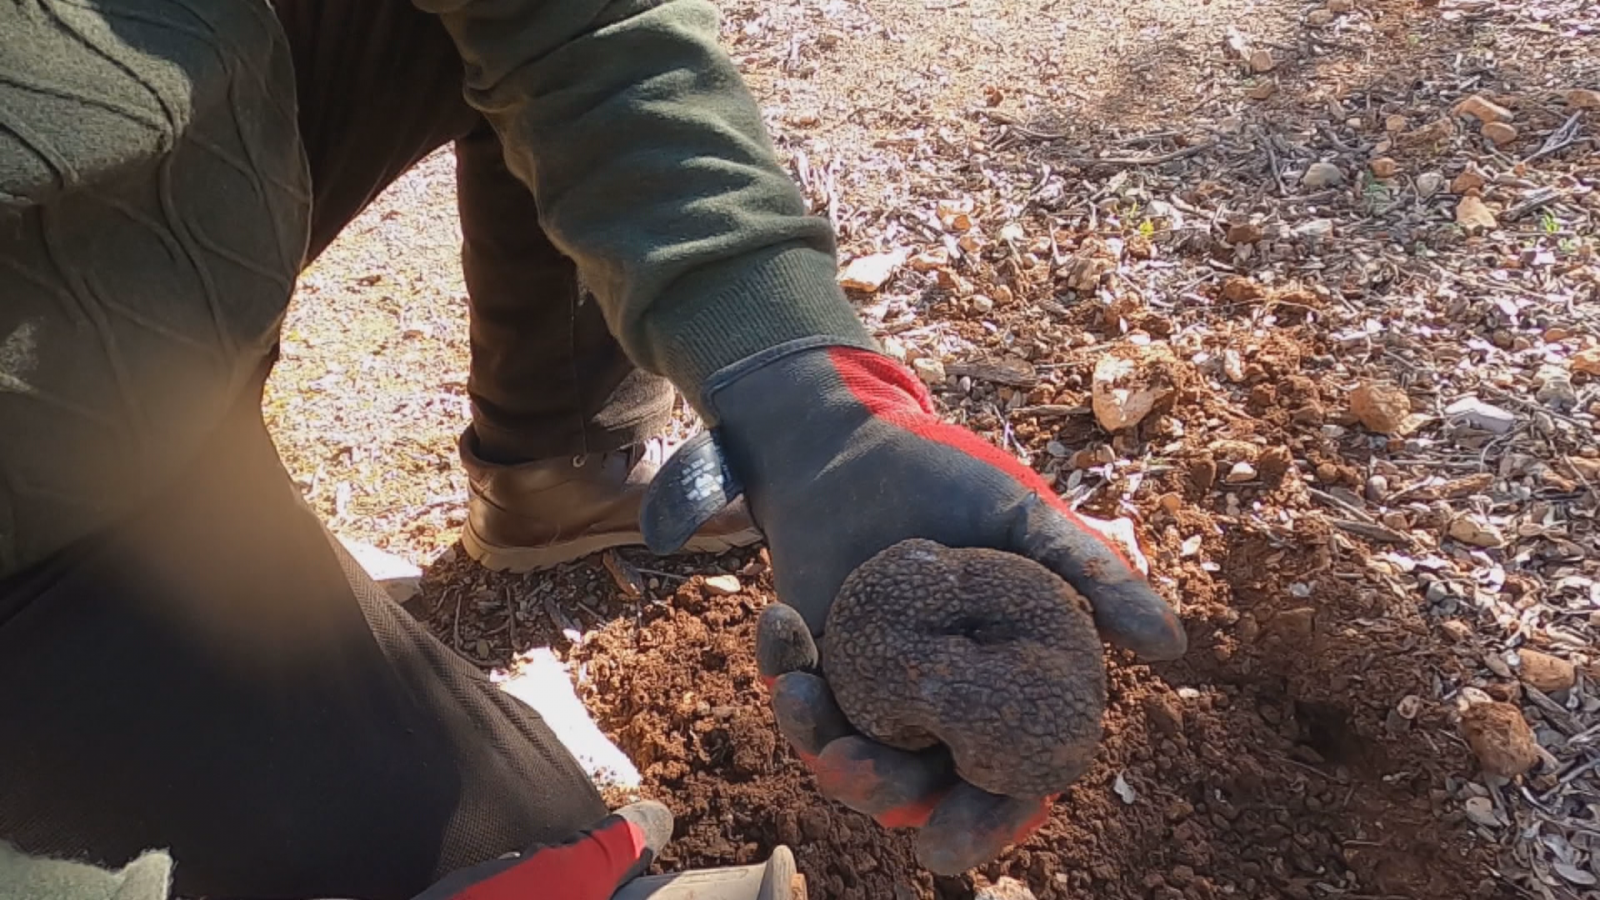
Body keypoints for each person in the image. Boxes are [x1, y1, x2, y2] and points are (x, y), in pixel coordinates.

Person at [0, 0, 1188, 897]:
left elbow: (579, 20)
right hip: (42, 513)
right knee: (531, 859)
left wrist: (794, 378)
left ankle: (555, 476)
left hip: (167, 164)